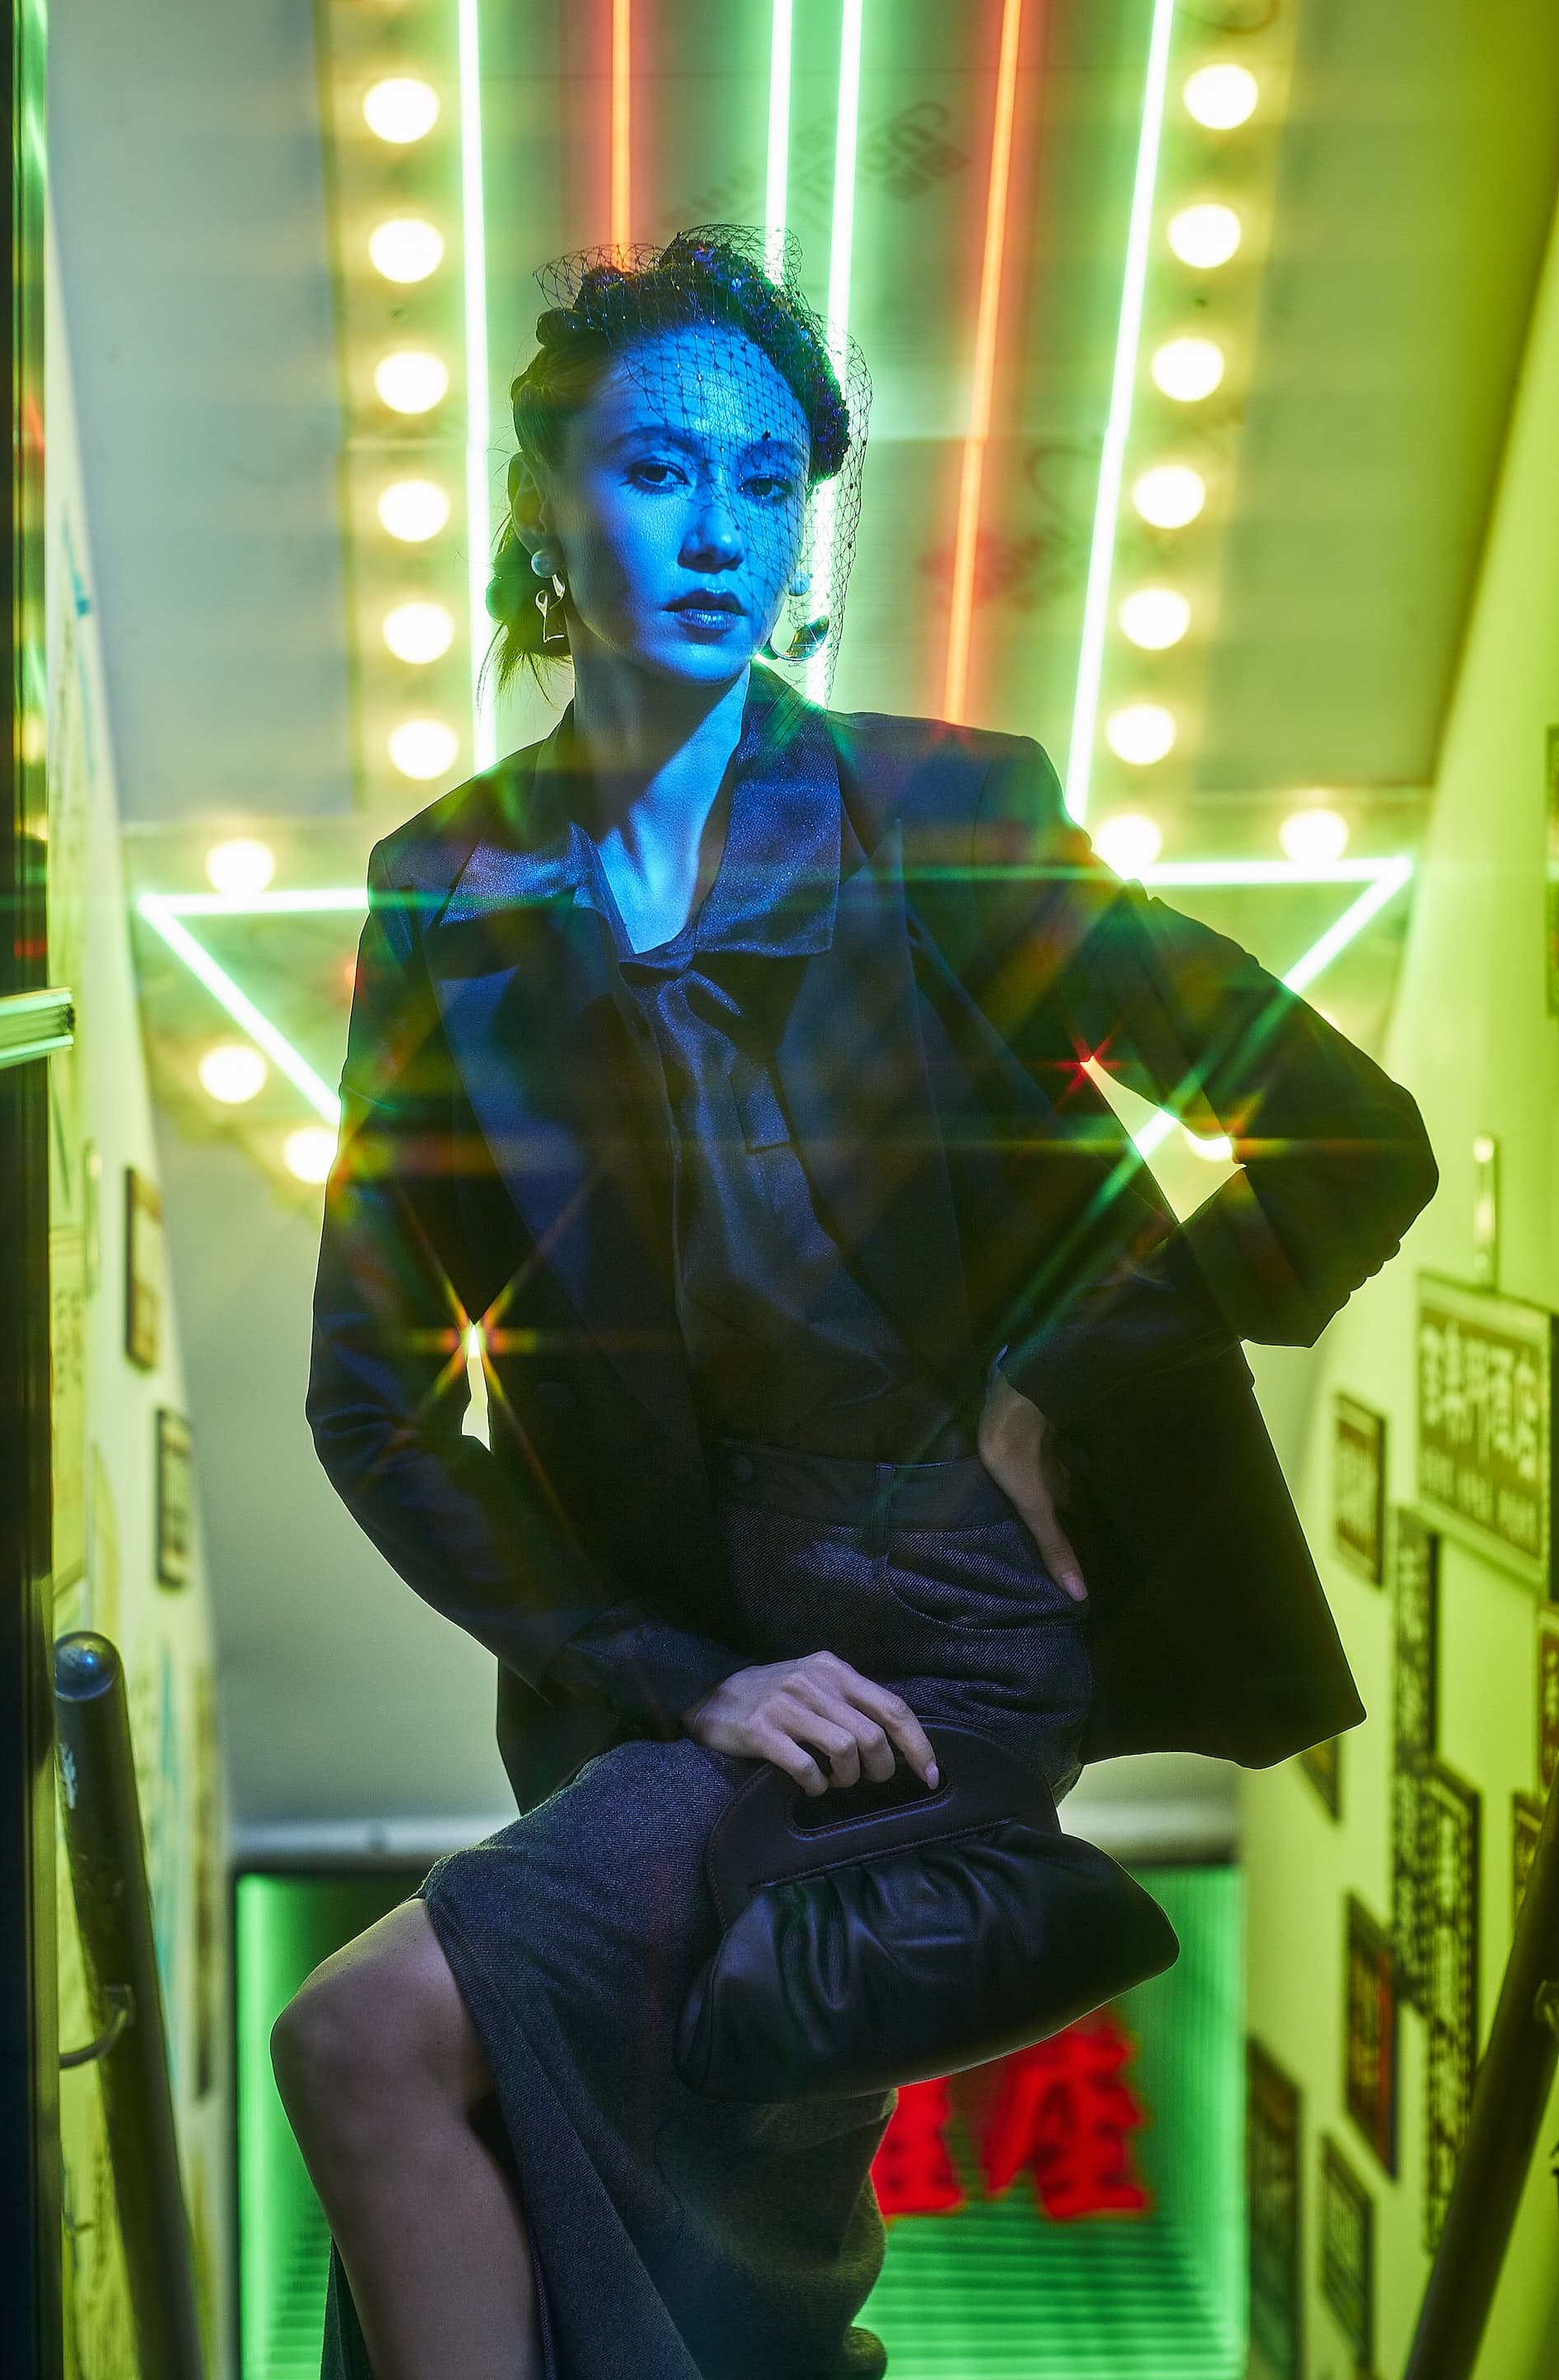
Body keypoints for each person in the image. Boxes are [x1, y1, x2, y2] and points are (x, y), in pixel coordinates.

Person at [271, 228, 1437, 2380]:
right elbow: (369, 1397)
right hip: (668, 1697)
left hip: (936, 1665)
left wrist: (1056, 1390)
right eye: (653, 467)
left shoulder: (941, 817)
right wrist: (665, 1671)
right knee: (703, 2238)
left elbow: (1343, 1135)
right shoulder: (447, 893)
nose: (717, 528)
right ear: (546, 496)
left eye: (766, 478)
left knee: (365, 2048)